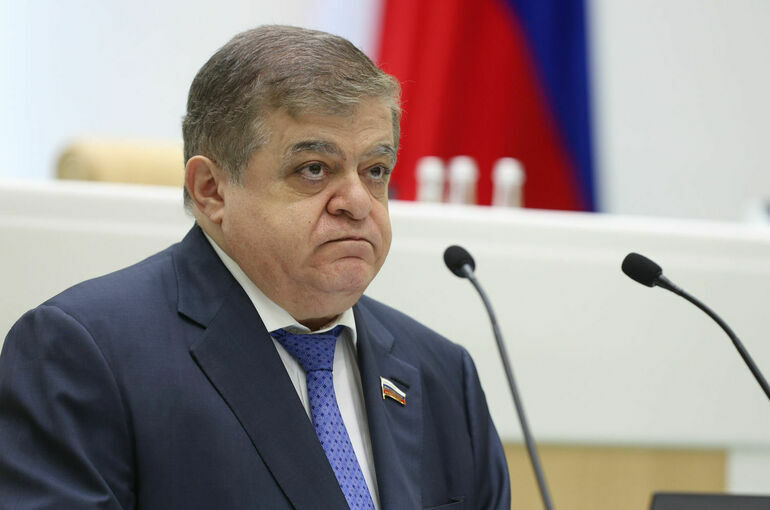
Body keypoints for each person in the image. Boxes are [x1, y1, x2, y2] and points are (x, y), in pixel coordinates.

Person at [0, 25, 510, 510]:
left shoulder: (443, 373)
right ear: (211, 191)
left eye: (375, 170)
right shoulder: (83, 354)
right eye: (314, 169)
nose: (358, 202)